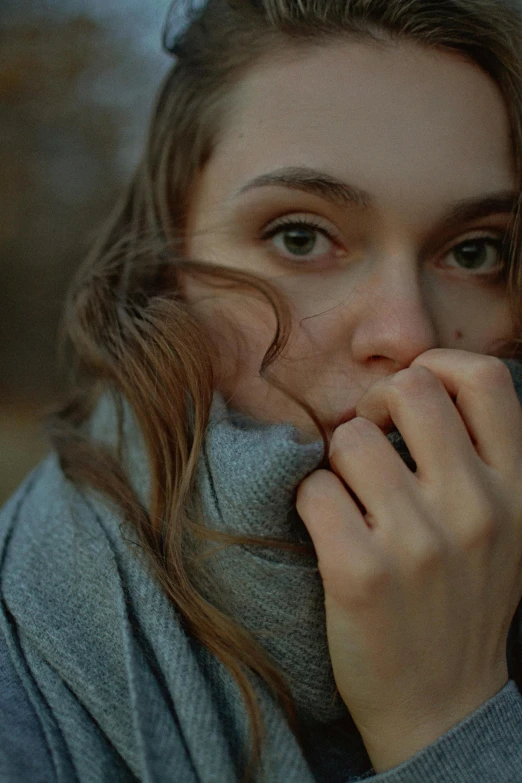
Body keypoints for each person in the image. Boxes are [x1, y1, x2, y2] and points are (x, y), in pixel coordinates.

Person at [2, 0, 522, 780]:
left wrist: (447, 713)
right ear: (166, 265)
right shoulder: (23, 675)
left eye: (474, 250)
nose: (407, 334)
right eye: (300, 237)